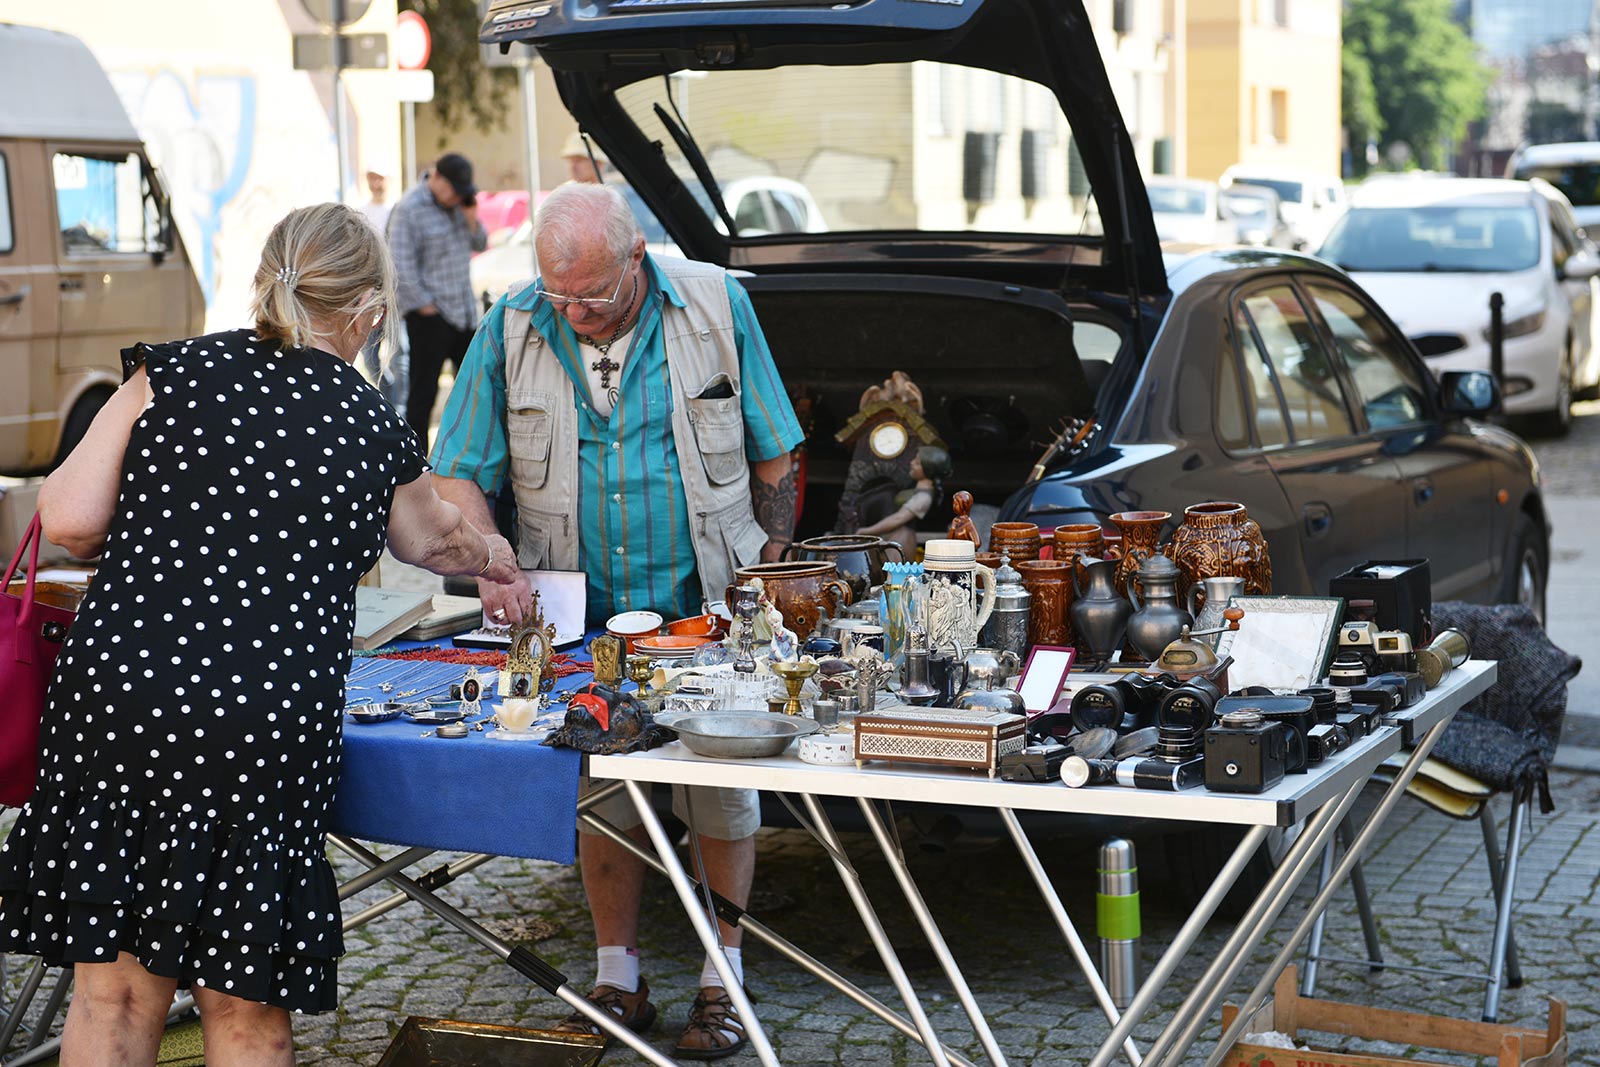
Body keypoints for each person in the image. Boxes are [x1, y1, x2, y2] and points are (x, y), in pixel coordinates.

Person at [0, 203, 520, 1067]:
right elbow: (434, 540)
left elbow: (66, 516)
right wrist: (495, 553)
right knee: (244, 1010)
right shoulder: (366, 419)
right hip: (255, 725)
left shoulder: (166, 374)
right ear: (369, 314)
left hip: (121, 702)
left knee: (115, 992)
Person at [431, 181, 803, 1060]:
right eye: (561, 296)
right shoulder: (514, 325)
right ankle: (618, 976)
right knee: (602, 785)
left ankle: (723, 975)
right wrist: (489, 555)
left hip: (705, 604)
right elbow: (458, 472)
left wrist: (772, 576)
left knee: (718, 783)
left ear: (637, 258)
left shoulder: (716, 302)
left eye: (593, 296)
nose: (577, 314)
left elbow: (776, 453)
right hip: (583, 620)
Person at [388, 152, 488, 448]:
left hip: (465, 313)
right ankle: (417, 464)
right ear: (437, 177)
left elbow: (481, 243)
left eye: (462, 192)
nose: (457, 196)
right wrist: (426, 308)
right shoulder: (409, 209)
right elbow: (400, 265)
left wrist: (471, 218)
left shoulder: (460, 205)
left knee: (476, 390)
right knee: (423, 395)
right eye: (453, 189)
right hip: (430, 316)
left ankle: (473, 451)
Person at [856, 445, 953, 558]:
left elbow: (898, 518)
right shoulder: (915, 490)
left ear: (928, 470)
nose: (911, 463)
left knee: (893, 571)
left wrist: (867, 531)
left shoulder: (923, 497)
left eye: (917, 463)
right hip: (892, 536)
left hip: (901, 539)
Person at [358, 169, 392, 234]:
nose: (375, 184)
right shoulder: (361, 213)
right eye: (372, 178)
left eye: (380, 179)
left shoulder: (396, 211)